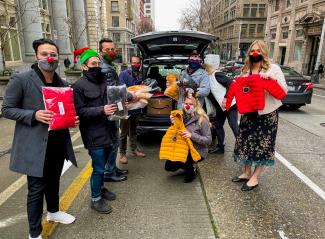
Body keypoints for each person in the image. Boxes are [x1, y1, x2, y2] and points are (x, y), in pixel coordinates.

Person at [1, 38, 78, 239]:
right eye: (44, 54)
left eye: (53, 54)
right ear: (36, 56)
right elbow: (7, 109)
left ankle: (53, 212)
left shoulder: (61, 82)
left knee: (53, 181)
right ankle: (34, 233)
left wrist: (71, 118)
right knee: (36, 189)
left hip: (57, 142)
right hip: (35, 145)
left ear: (58, 57)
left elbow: (64, 109)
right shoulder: (22, 79)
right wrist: (33, 115)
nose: (49, 58)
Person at [230, 40, 287, 191]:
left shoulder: (273, 69)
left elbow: (283, 91)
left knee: (263, 146)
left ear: (264, 52)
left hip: (267, 114)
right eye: (252, 50)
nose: (255, 53)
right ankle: (247, 172)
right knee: (245, 143)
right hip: (248, 113)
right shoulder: (245, 70)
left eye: (259, 50)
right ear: (249, 53)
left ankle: (255, 178)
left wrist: (271, 80)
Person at [73, 49, 119, 214]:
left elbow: (113, 101)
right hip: (93, 133)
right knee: (99, 168)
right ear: (84, 66)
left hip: (108, 130)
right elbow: (80, 111)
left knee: (104, 165)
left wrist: (122, 105)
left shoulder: (104, 82)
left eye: (98, 63)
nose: (97, 66)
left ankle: (100, 188)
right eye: (93, 64)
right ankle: (95, 199)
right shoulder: (78, 86)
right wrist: (102, 110)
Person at [98, 38, 128, 182]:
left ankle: (112, 168)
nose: (111, 52)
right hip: (111, 111)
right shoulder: (106, 69)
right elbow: (113, 92)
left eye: (112, 49)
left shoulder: (108, 65)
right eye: (107, 50)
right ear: (101, 51)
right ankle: (109, 172)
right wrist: (131, 95)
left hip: (111, 109)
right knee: (113, 141)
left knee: (113, 140)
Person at [166, 92, 212, 183]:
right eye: (186, 104)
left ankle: (191, 171)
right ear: (183, 104)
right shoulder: (180, 116)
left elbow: (208, 140)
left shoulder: (202, 119)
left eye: (191, 104)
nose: (188, 106)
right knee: (168, 167)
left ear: (195, 106)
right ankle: (188, 165)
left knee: (188, 178)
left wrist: (192, 135)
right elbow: (174, 135)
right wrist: (173, 123)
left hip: (197, 150)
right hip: (182, 147)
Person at [203, 63, 239, 154]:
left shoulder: (216, 74)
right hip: (220, 108)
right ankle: (220, 147)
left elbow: (230, 83)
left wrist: (226, 98)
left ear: (205, 70)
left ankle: (241, 147)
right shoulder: (206, 82)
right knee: (218, 125)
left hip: (230, 104)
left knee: (233, 125)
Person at [118, 55, 146, 164]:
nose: (136, 65)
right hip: (125, 108)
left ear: (140, 64)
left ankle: (134, 149)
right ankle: (122, 153)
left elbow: (143, 89)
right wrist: (132, 96)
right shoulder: (124, 75)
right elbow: (121, 90)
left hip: (136, 109)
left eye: (138, 63)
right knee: (123, 132)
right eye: (134, 63)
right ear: (130, 63)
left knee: (134, 131)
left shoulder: (141, 76)